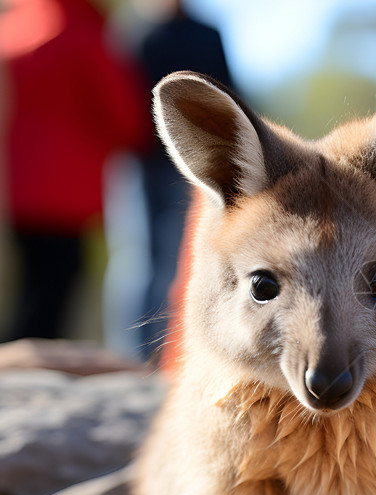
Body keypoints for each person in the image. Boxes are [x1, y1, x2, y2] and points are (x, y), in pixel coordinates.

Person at [0, 0, 149, 341]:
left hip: (16, 184)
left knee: (32, 287)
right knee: (51, 292)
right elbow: (126, 117)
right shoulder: (81, 32)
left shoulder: (15, 26)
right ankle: (19, 370)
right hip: (64, 189)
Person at [131, 0, 233, 358]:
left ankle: (170, 355)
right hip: (140, 163)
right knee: (138, 260)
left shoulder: (206, 35)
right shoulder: (136, 34)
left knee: (179, 257)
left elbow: (228, 95)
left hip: (192, 168)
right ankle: (137, 353)